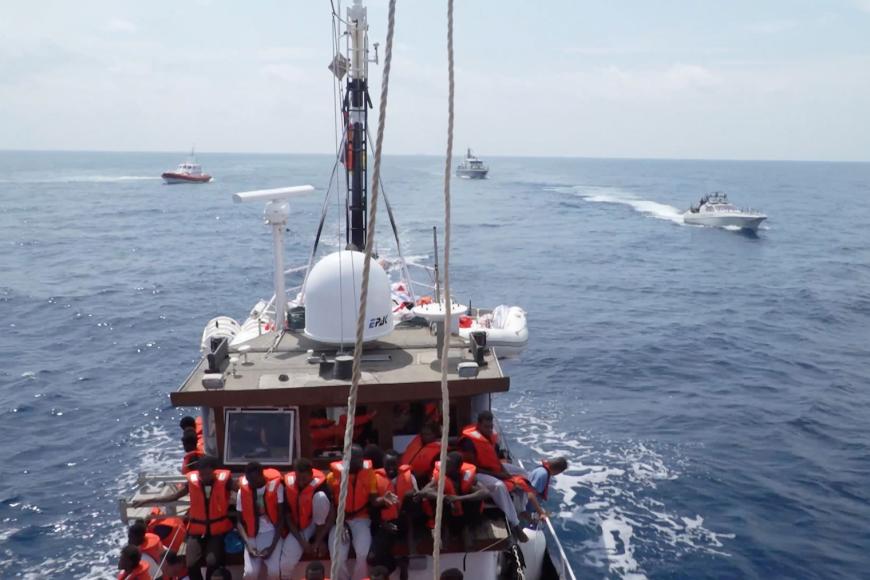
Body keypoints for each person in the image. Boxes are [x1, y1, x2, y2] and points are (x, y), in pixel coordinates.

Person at [134, 455, 233, 580]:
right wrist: (149, 500)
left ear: (214, 472)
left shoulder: (225, 482)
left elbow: (242, 491)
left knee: (212, 562)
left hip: (216, 531)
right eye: (201, 475)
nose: (204, 478)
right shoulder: (193, 483)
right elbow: (173, 497)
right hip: (196, 530)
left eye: (207, 474)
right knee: (191, 563)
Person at [459, 411, 527, 542]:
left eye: (491, 426)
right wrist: (499, 475)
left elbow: (495, 460)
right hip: (476, 473)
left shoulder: (490, 437)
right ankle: (516, 525)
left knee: (523, 473)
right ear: (478, 425)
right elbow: (473, 467)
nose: (489, 429)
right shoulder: (469, 442)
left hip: (492, 469)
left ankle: (522, 509)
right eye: (486, 427)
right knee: (499, 486)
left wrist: (504, 472)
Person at [327, 445, 393, 580]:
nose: (359, 462)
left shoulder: (369, 475)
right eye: (356, 460)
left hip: (361, 518)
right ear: (346, 460)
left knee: (363, 553)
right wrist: (341, 523)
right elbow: (331, 505)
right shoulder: (332, 477)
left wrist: (383, 499)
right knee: (337, 556)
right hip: (340, 520)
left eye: (360, 459)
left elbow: (374, 500)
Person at [421, 452, 489, 548]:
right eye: (444, 463)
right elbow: (425, 491)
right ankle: (443, 532)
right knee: (436, 500)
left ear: (457, 467)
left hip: (464, 515)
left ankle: (466, 530)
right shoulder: (439, 477)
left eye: (448, 465)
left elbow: (485, 492)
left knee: (474, 498)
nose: (444, 466)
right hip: (446, 515)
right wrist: (444, 497)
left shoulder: (466, 477)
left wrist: (459, 498)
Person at [371, 450, 419, 577]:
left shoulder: (410, 477)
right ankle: (393, 566)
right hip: (385, 522)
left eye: (394, 465)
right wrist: (383, 524)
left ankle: (406, 561)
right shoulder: (375, 479)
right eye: (388, 465)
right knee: (380, 547)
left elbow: (417, 500)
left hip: (405, 519)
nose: (391, 468)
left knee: (411, 499)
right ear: (383, 464)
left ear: (399, 464)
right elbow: (372, 506)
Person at [282, 457, 332, 577]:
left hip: (321, 525)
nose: (301, 482)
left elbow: (331, 515)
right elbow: (288, 518)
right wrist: (302, 542)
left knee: (320, 497)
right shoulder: (288, 487)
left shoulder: (322, 487)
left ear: (311, 475)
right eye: (298, 478)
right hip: (301, 527)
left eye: (304, 479)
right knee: (285, 564)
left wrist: (319, 541)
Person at [236, 461, 284, 579]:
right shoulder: (242, 491)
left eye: (253, 480)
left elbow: (281, 518)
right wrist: (248, 545)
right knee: (249, 574)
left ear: (261, 476)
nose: (251, 483)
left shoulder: (277, 488)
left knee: (274, 572)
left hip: (272, 533)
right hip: (251, 536)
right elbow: (239, 522)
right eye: (248, 480)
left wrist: (272, 547)